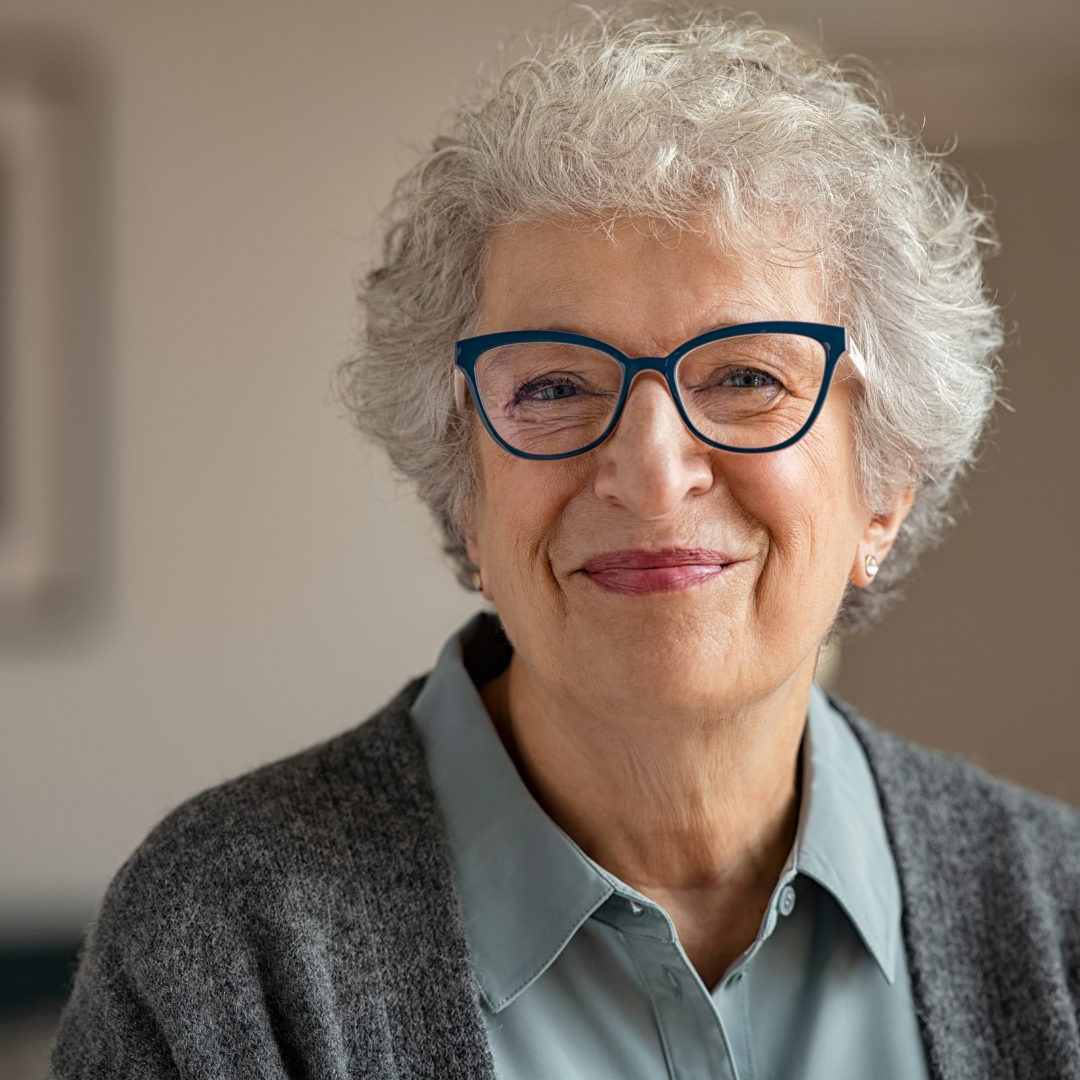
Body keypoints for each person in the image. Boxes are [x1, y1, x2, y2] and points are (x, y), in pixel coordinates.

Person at [51, 8, 1080, 1079]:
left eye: (745, 378)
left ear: (885, 488)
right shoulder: (224, 943)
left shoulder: (1060, 918)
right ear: (465, 496)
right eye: (551, 385)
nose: (648, 469)